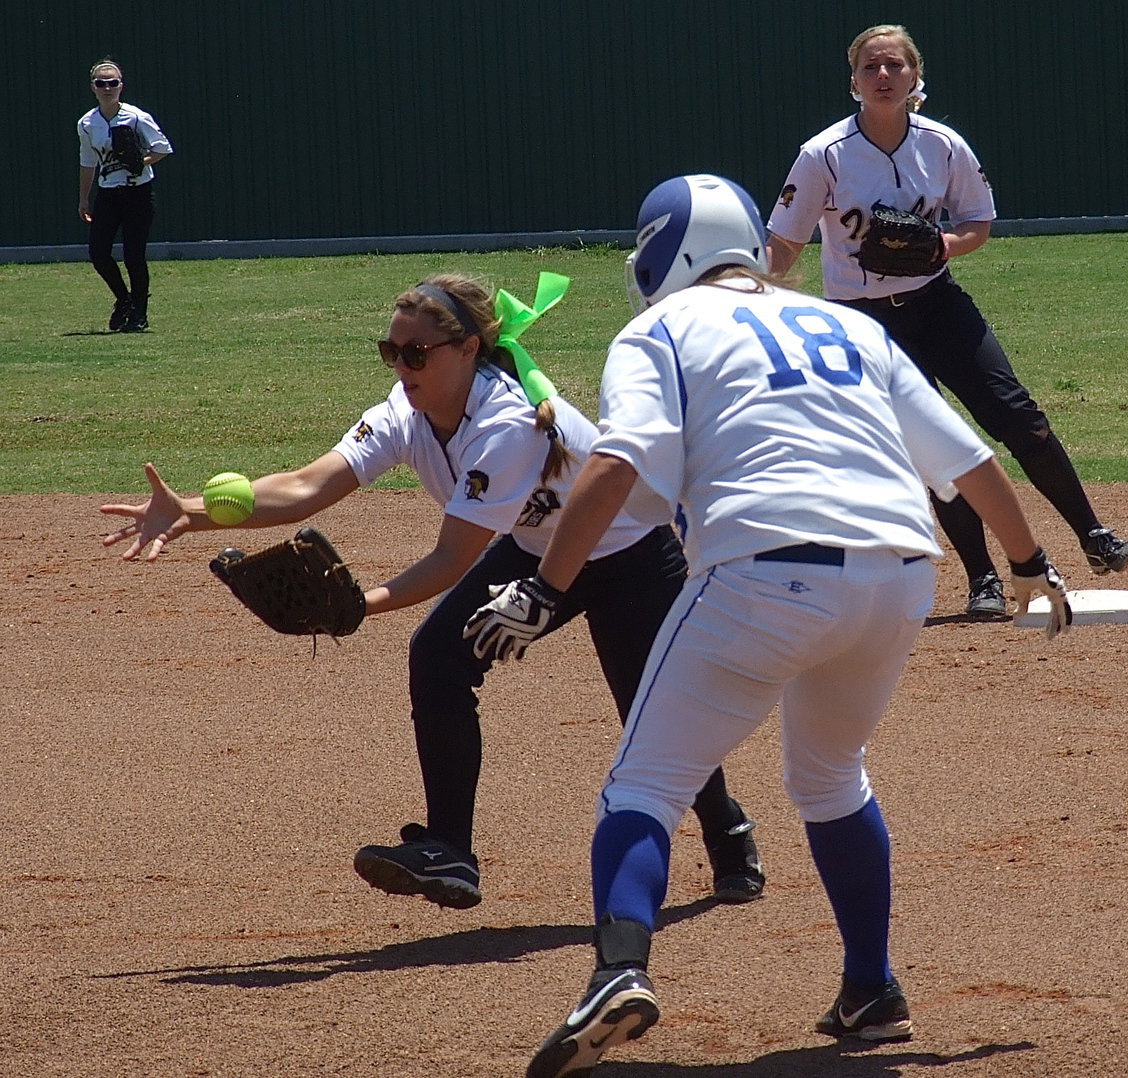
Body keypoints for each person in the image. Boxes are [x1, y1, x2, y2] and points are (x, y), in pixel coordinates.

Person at [464, 175, 1072, 1077]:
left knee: (645, 783)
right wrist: (1028, 567)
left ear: (665, 248)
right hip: (899, 577)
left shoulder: (659, 329)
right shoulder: (851, 323)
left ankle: (617, 975)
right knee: (830, 777)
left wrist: (545, 590)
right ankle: (872, 987)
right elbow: (970, 462)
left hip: (766, 571)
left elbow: (618, 462)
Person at [100, 271, 766, 911]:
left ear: (468, 349)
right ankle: (450, 848)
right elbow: (311, 484)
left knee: (650, 713)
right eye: (391, 351)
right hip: (538, 545)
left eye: (415, 352)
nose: (401, 366)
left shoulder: (504, 425)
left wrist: (364, 604)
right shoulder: (405, 409)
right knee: (439, 657)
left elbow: (452, 556)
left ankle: (727, 832)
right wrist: (191, 511)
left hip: (630, 556)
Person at [764, 23, 1128, 619]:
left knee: (1018, 416)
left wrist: (942, 245)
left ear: (915, 77)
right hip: (867, 324)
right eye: (871, 67)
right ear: (854, 81)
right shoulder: (824, 155)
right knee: (936, 447)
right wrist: (754, 292)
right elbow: (783, 243)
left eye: (895, 66)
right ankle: (984, 580)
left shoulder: (942, 144)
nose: (883, 76)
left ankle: (1095, 536)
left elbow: (977, 224)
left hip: (937, 303)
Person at [78, 59, 174, 333]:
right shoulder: (87, 123)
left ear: (121, 86)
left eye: (112, 83)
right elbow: (87, 161)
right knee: (98, 253)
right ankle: (124, 300)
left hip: (137, 192)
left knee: (134, 255)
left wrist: (141, 161)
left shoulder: (135, 116)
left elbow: (163, 147)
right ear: (93, 88)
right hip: (108, 193)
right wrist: (84, 198)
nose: (107, 88)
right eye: (101, 83)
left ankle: (139, 315)